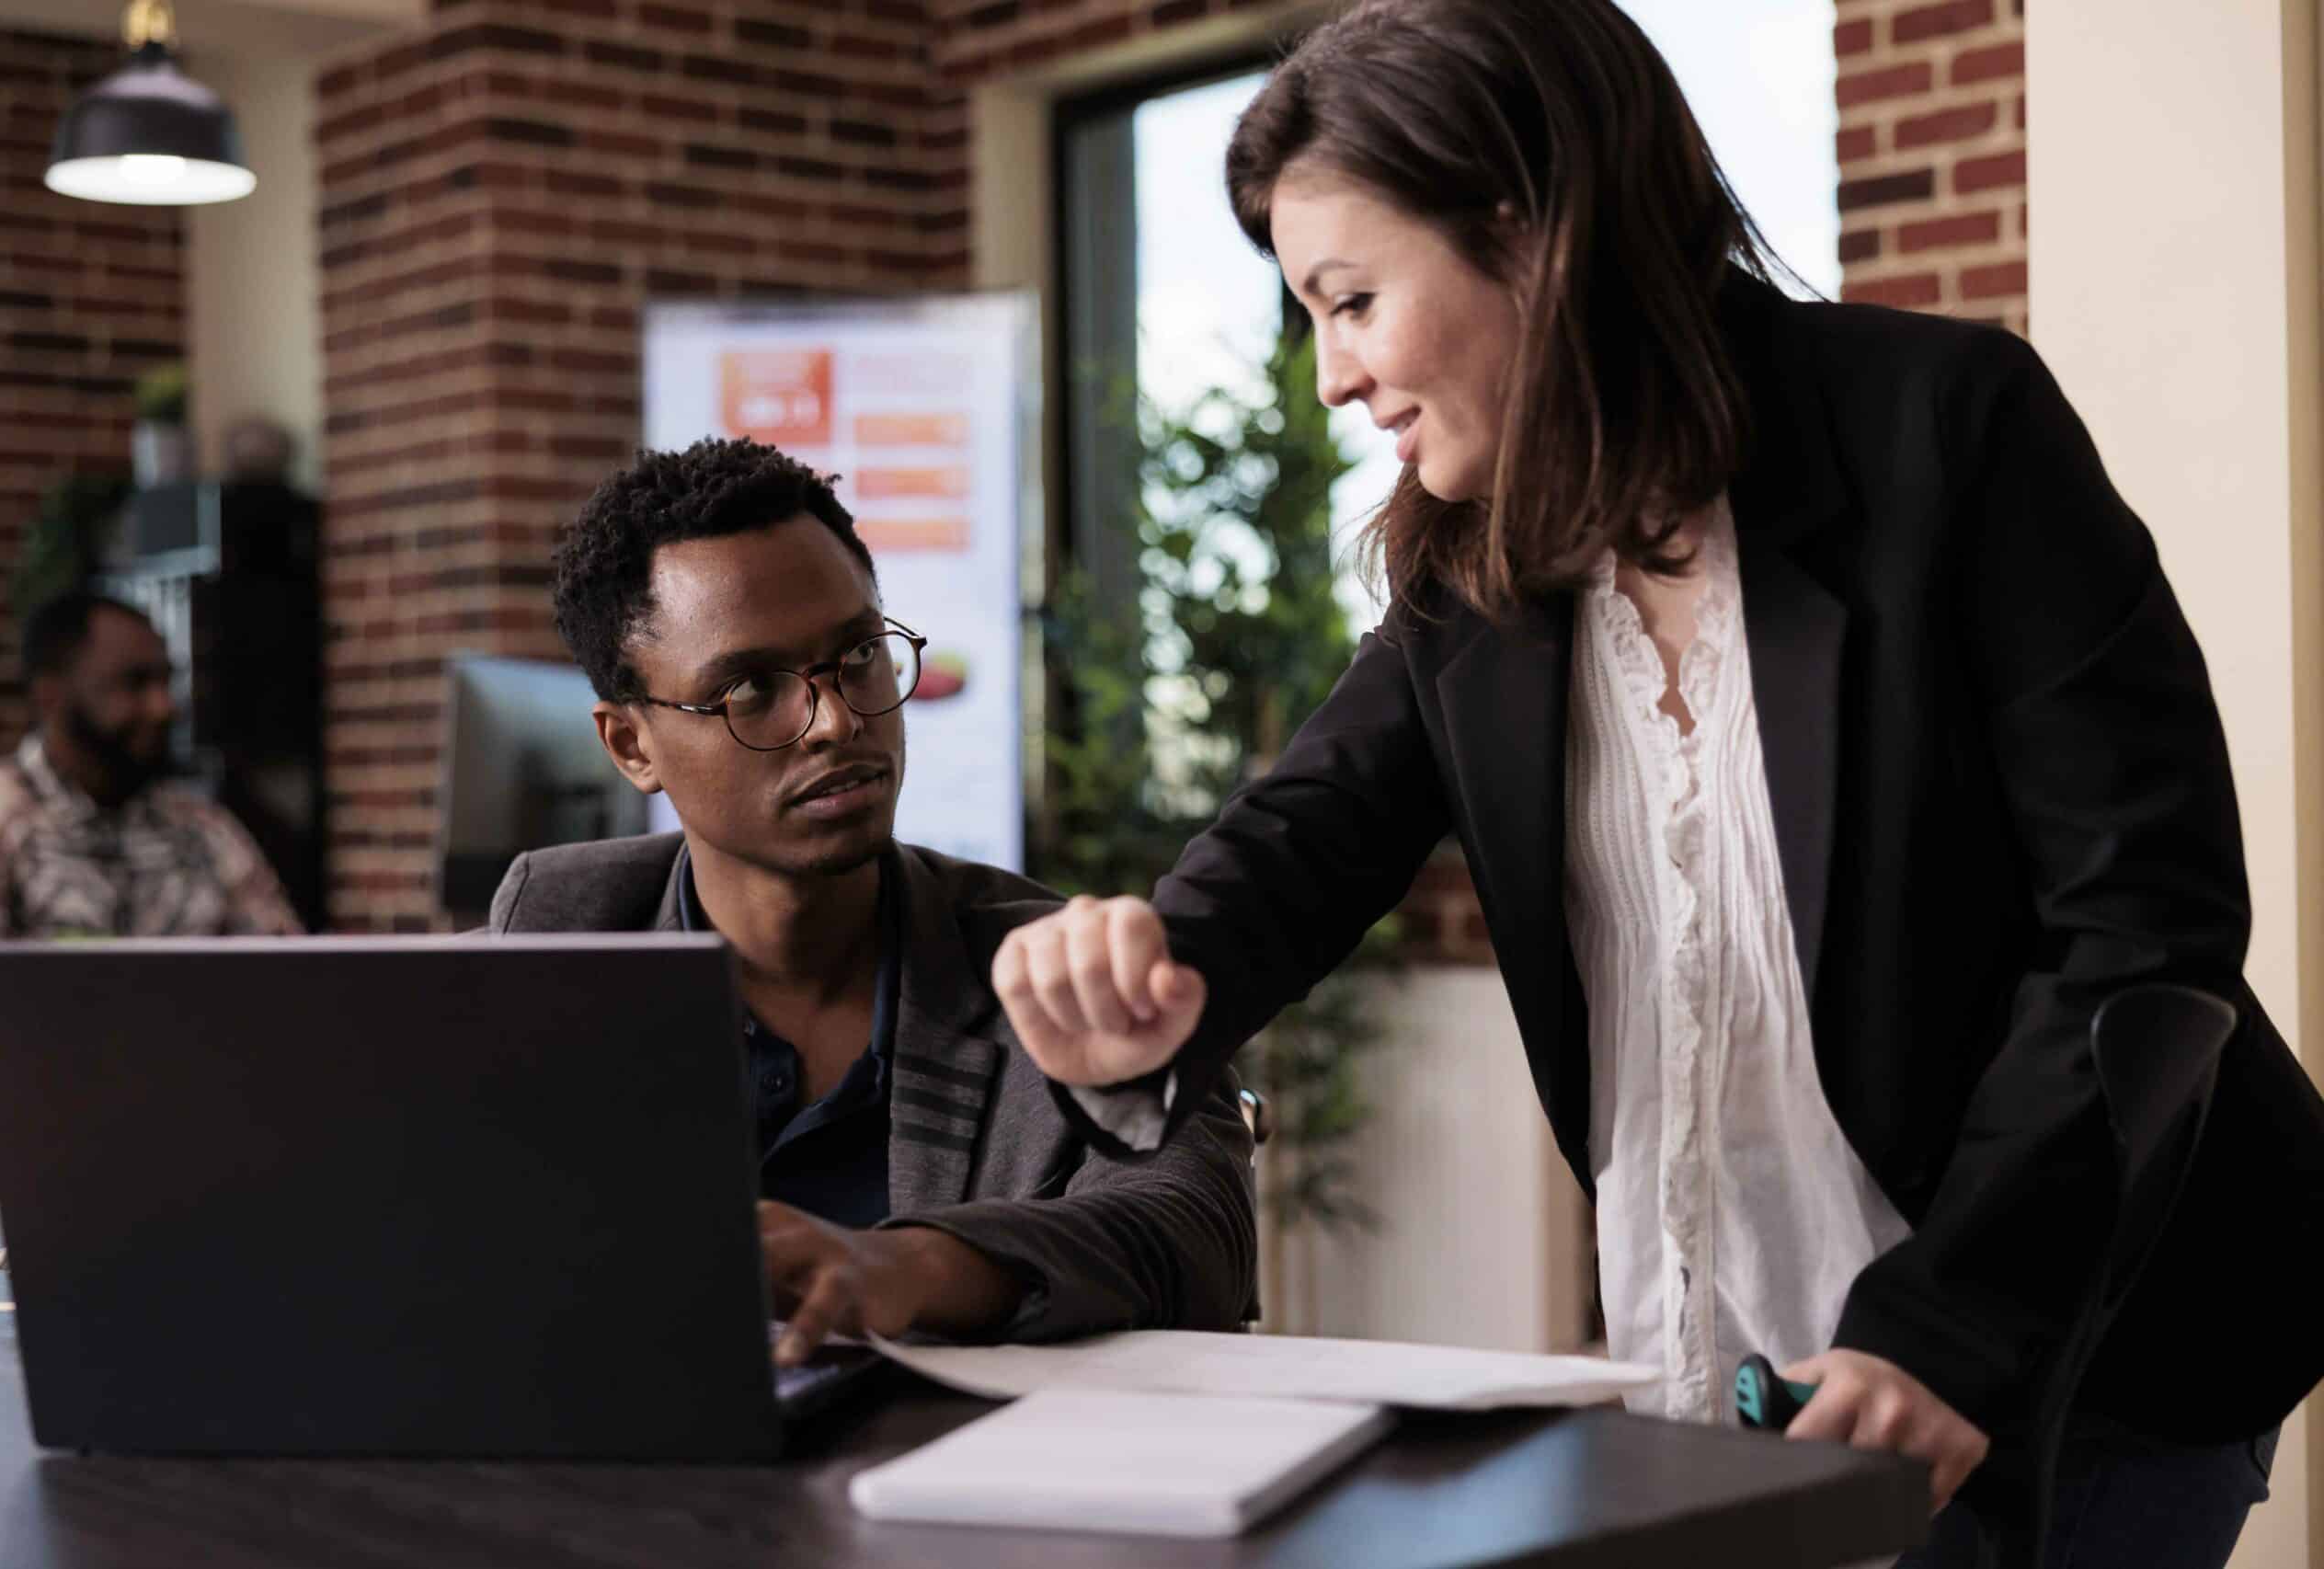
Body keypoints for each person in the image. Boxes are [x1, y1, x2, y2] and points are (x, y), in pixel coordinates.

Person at [989, 2, 2324, 1563]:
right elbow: (1305, 837)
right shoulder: (1466, 576)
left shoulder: (1945, 429)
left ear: (1528, 222)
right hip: (1733, 1377)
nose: (1332, 375)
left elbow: (2141, 926)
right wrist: (1159, 973)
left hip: (2077, 1351)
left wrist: (1948, 1328)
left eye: (1349, 300)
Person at [491, 438, 1256, 1366]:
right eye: (750, 688)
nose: (837, 720)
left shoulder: (1048, 962)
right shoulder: (565, 928)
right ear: (630, 746)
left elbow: (1195, 1232)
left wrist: (905, 1270)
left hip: (959, 1488)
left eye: (857, 655)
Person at [0, 590, 303, 1197]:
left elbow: (294, 983)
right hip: (42, 1171)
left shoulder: (202, 829)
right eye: (132, 683)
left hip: (214, 1152)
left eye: (164, 682)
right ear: (51, 693)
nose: (161, 707)